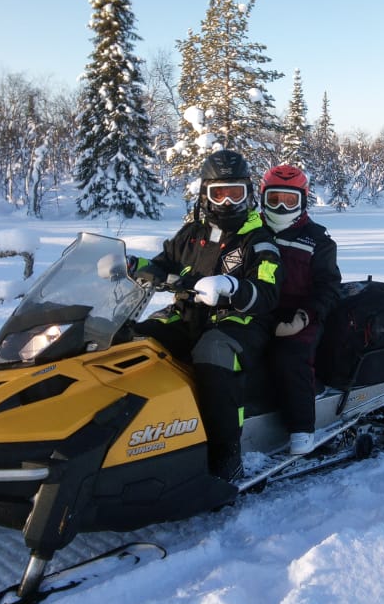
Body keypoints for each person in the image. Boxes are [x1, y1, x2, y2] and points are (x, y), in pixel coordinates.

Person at [128, 149, 283, 481]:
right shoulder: (191, 235)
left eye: (235, 193)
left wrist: (231, 285)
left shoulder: (259, 241)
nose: (227, 203)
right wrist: (130, 266)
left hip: (241, 322)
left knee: (213, 351)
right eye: (219, 194)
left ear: (249, 193)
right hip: (189, 315)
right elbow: (163, 264)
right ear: (205, 194)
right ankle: (136, 432)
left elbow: (267, 293)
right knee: (135, 338)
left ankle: (227, 456)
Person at [259, 165, 342, 455]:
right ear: (262, 197)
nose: (281, 207)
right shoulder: (252, 231)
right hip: (255, 308)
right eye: (275, 199)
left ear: (303, 200)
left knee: (289, 356)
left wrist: (303, 318)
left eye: (290, 200)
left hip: (300, 315)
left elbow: (328, 286)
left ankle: (301, 430)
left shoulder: (317, 240)